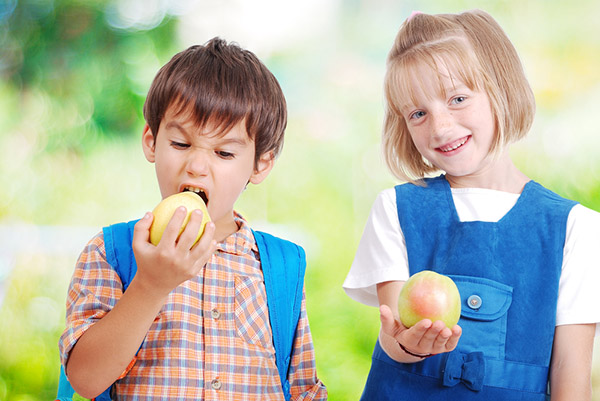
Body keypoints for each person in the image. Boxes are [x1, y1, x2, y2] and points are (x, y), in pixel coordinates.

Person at [343, 9, 600, 401]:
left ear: (502, 89)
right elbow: (394, 338)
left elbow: (571, 376)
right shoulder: (396, 208)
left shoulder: (574, 229)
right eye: (418, 113)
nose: (440, 127)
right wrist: (411, 344)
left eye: (458, 99)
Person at [59, 38, 327, 400]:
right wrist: (150, 286)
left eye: (224, 152)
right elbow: (85, 379)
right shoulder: (111, 253)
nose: (197, 166)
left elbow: (303, 389)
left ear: (260, 164)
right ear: (152, 142)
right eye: (181, 144)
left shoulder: (281, 267)